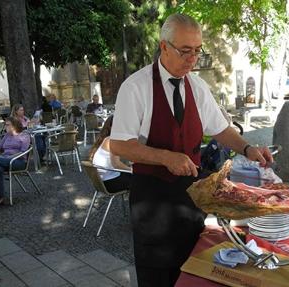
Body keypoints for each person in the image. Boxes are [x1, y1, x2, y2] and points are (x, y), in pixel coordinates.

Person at [110, 14, 273, 287]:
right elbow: (120, 145)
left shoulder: (197, 86)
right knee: (157, 278)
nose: (192, 59)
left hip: (191, 200)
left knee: (194, 270)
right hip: (153, 203)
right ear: (164, 47)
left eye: (197, 51)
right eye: (185, 51)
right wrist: (164, 157)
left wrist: (247, 148)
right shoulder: (135, 87)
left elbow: (220, 128)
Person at [0, 117, 30, 205]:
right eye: (5, 125)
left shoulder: (24, 136)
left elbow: (23, 153)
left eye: (8, 125)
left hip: (18, 161)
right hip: (3, 160)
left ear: (14, 126)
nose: (5, 127)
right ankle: (0, 196)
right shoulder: (7, 135)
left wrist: (8, 158)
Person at [89, 115, 132, 191]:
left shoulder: (105, 139)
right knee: (142, 178)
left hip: (101, 182)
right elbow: (116, 164)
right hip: (110, 183)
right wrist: (132, 170)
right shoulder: (112, 140)